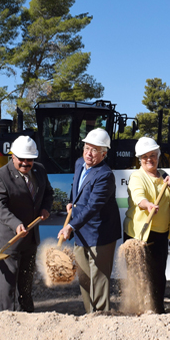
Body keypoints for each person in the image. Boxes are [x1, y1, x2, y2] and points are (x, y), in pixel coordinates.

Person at [0, 136, 53, 312]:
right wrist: (15, 223)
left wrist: (45, 208)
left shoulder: (39, 171)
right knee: (8, 283)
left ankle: (26, 313)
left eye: (29, 159)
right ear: (13, 156)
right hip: (9, 239)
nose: (25, 163)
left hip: (31, 238)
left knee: (26, 280)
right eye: (21, 159)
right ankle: (6, 316)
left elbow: (48, 193)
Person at [58, 128, 120, 313]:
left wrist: (70, 226)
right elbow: (75, 186)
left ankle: (101, 318)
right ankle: (89, 314)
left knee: (99, 280)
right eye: (87, 148)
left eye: (94, 150)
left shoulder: (105, 175)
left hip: (100, 234)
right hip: (81, 232)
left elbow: (93, 207)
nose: (89, 154)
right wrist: (72, 201)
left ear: (104, 153)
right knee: (84, 277)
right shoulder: (79, 163)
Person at [122, 137, 170, 314]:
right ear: (139, 159)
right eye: (145, 156)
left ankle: (157, 309)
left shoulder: (163, 175)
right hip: (139, 235)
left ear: (158, 155)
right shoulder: (136, 176)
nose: (149, 159)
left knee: (157, 275)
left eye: (153, 155)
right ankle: (139, 308)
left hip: (160, 234)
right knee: (139, 275)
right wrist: (148, 205)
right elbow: (138, 197)